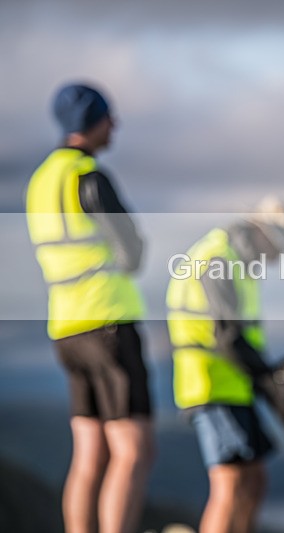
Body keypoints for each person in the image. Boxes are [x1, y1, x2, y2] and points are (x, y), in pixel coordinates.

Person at [25, 83, 154, 533]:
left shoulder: (41, 180)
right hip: (108, 321)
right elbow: (131, 251)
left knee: (88, 453)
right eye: (108, 116)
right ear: (93, 122)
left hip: (65, 327)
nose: (115, 124)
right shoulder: (89, 175)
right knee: (133, 449)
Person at [166, 198, 284, 533]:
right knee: (230, 483)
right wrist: (267, 377)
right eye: (277, 249)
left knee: (254, 479)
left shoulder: (236, 261)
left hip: (234, 384)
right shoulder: (217, 258)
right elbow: (227, 335)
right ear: (263, 233)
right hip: (210, 384)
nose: (276, 258)